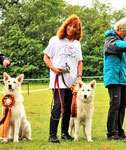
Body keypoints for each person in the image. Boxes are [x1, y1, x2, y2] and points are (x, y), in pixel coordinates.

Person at [43, 14, 83, 143]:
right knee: (58, 106)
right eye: (70, 26)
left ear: (78, 30)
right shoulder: (55, 40)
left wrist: (79, 77)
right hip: (58, 80)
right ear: (66, 26)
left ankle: (65, 133)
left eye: (75, 27)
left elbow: (80, 62)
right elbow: (46, 57)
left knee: (68, 107)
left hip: (72, 81)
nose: (71, 29)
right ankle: (52, 135)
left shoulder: (77, 44)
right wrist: (54, 68)